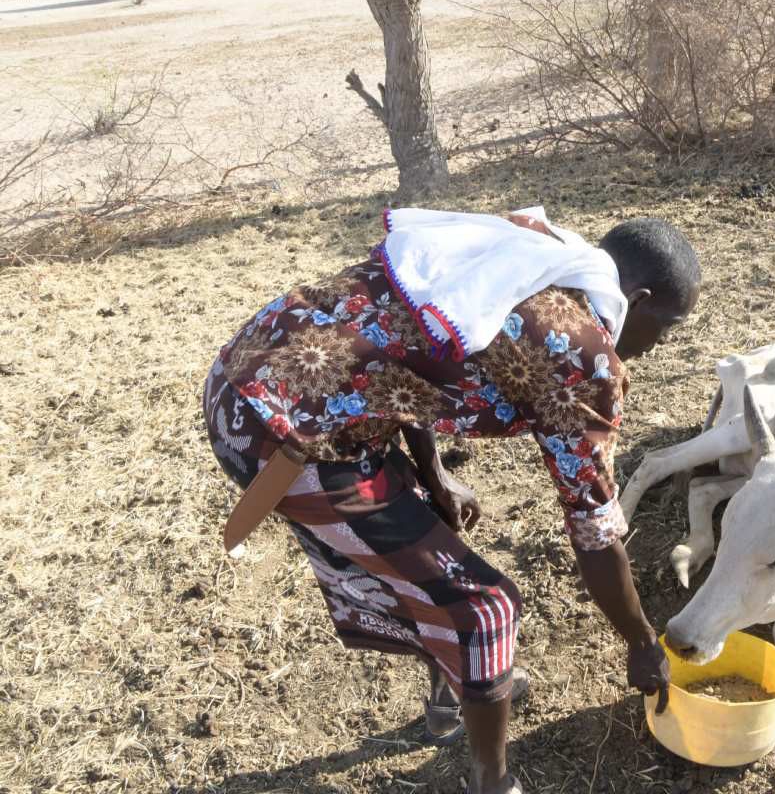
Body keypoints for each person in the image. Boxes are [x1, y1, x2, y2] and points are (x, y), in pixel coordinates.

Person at [201, 206, 701, 794]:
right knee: (486, 610)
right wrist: (642, 641)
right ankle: (492, 781)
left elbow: (417, 345)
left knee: (436, 542)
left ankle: (457, 687)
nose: (659, 345)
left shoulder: (537, 253)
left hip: (254, 374)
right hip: (280, 428)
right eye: (667, 327)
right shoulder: (585, 356)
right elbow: (594, 530)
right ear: (637, 300)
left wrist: (434, 478)